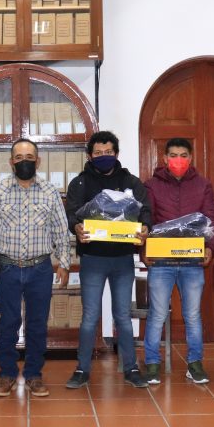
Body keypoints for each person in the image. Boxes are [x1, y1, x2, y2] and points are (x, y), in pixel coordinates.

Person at [0, 139, 71, 398]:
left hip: (40, 268)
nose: (24, 161)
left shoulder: (51, 191)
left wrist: (63, 263)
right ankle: (7, 373)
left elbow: (60, 230)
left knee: (37, 324)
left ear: (38, 160)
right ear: (11, 162)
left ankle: (34, 374)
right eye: (18, 157)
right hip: (7, 268)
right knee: (8, 322)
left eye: (29, 156)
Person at [64, 131, 152, 390]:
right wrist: (77, 227)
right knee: (90, 317)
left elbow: (145, 210)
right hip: (92, 259)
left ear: (116, 154)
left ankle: (131, 368)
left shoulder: (130, 182)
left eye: (109, 152)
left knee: (123, 316)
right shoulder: (79, 183)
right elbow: (71, 214)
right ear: (89, 155)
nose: (104, 157)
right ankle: (82, 368)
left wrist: (145, 226)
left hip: (122, 259)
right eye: (98, 153)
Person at [143, 138, 214, 385]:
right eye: (173, 155)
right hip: (161, 261)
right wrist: (145, 248)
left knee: (193, 315)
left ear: (191, 158)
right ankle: (152, 364)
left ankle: (195, 364)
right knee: (157, 314)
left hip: (192, 261)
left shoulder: (203, 185)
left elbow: (210, 219)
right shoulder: (152, 185)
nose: (178, 160)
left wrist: (209, 247)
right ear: (165, 158)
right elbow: (147, 219)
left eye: (183, 155)